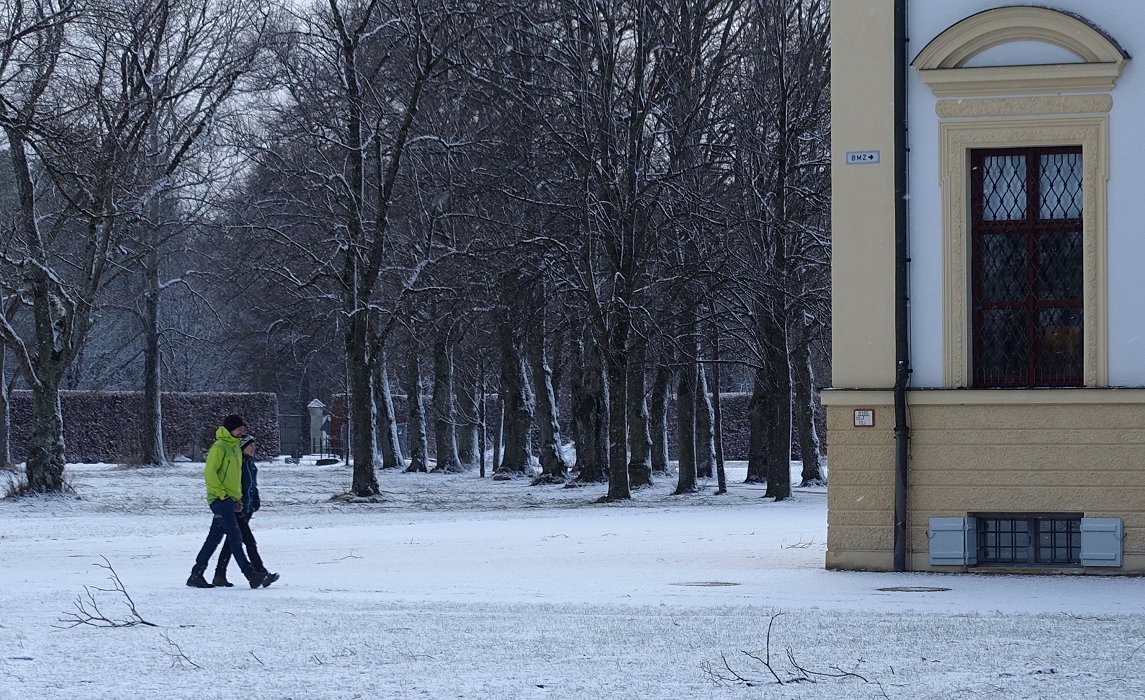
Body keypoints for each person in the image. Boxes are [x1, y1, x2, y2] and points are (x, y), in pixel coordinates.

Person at [186, 414, 272, 589]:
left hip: (232, 500)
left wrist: (238, 498)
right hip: (220, 499)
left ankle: (196, 574)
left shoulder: (234, 448)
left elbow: (236, 478)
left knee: (214, 539)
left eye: (243, 429)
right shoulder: (219, 447)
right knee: (235, 536)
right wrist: (223, 495)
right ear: (230, 429)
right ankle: (251, 575)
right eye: (239, 429)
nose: (242, 432)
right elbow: (210, 473)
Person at [211, 434, 279, 587]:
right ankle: (261, 572)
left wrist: (255, 500)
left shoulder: (250, 464)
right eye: (250, 446)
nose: (253, 448)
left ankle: (219, 575)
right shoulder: (239, 464)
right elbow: (237, 484)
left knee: (231, 543)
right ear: (242, 447)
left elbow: (252, 485)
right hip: (237, 509)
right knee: (248, 541)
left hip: (246, 508)